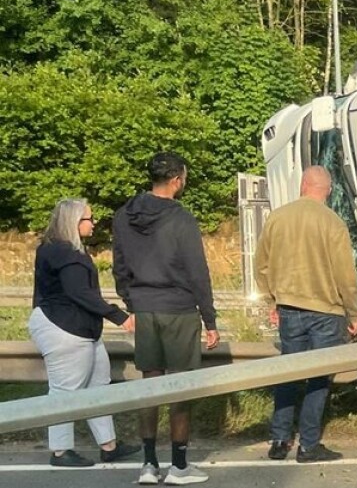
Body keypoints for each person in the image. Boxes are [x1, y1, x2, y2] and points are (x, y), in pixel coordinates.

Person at [113, 152, 219, 486]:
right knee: (180, 386)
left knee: (150, 384)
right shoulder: (181, 218)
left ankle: (148, 464)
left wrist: (132, 301)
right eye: (184, 177)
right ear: (176, 180)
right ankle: (179, 465)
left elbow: (119, 266)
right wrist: (210, 319)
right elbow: (197, 272)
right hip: (179, 308)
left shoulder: (123, 215)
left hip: (145, 308)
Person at [254, 165, 357, 463]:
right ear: (328, 190)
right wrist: (353, 312)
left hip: (289, 306)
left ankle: (279, 439)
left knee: (288, 372)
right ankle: (309, 445)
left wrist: (271, 300)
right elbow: (345, 275)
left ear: (302, 185)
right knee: (318, 378)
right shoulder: (333, 222)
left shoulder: (278, 217)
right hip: (327, 310)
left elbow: (261, 264)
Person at [28, 198, 140, 468]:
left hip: (79, 327)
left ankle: (108, 446)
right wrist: (119, 316)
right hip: (64, 327)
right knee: (65, 391)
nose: (94, 223)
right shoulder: (67, 254)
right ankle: (60, 451)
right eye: (89, 218)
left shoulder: (56, 249)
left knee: (97, 384)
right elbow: (79, 293)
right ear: (74, 222)